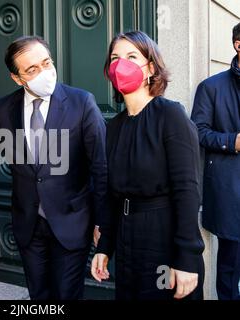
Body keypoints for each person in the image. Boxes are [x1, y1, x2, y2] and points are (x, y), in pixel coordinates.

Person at [0, 36, 108, 300]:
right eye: (32, 69)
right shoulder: (5, 108)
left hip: (71, 221)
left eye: (46, 63)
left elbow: (101, 167)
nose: (44, 72)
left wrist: (102, 222)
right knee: (39, 296)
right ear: (17, 78)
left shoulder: (82, 103)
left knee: (66, 295)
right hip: (28, 223)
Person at [91, 31, 205, 300]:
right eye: (115, 58)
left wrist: (187, 257)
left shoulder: (171, 115)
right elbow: (111, 194)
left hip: (164, 237)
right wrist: (104, 247)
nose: (121, 64)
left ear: (151, 68)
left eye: (132, 57)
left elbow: (187, 190)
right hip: (127, 238)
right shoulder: (114, 127)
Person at [191, 22, 240, 300]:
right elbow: (197, 131)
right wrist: (232, 141)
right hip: (230, 193)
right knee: (230, 270)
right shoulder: (210, 87)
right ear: (238, 45)